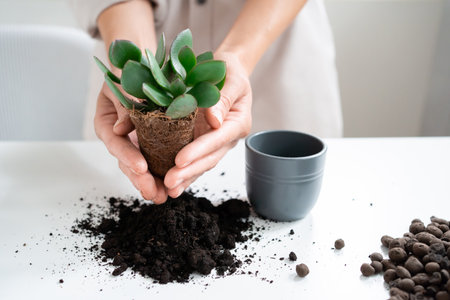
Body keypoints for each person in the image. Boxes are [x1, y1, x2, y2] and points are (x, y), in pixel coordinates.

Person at [71, 0, 343, 204]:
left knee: (287, 203)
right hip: (143, 22)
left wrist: (237, 56)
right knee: (125, 188)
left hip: (273, 36)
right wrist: (135, 67)